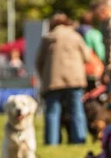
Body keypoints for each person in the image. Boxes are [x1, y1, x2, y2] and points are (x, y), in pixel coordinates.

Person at [36, 13, 91, 145]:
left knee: (52, 112)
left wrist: (44, 76)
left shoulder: (48, 38)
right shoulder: (75, 36)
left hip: (53, 79)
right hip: (75, 79)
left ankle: (51, 142)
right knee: (77, 110)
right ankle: (79, 139)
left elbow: (39, 61)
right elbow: (87, 57)